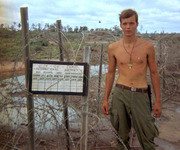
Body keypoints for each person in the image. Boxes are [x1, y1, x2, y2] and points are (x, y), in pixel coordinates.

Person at [102, 9, 162, 150]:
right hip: (120, 93)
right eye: (125, 24)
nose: (128, 27)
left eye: (131, 23)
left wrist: (158, 101)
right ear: (121, 26)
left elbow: (154, 73)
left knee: (147, 135)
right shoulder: (113, 48)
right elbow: (110, 73)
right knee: (121, 136)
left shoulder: (147, 47)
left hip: (140, 93)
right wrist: (105, 99)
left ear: (137, 24)